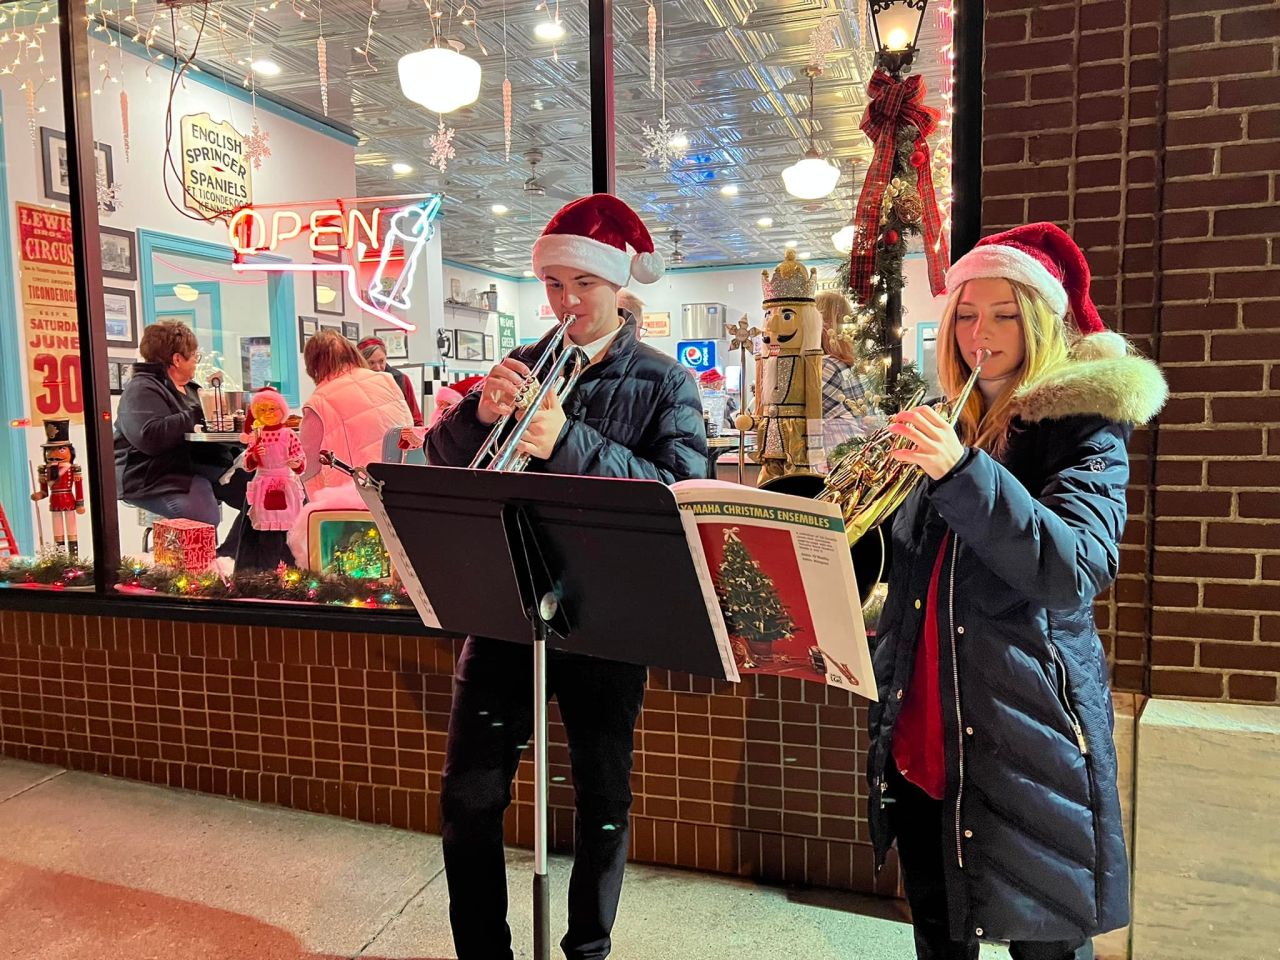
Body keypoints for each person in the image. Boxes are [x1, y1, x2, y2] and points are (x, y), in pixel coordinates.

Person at [864, 224, 1167, 960]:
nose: (980, 334)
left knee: (1047, 946)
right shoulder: (944, 419)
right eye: (966, 314)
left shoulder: (1084, 426)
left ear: (1038, 320)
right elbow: (905, 570)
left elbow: (1072, 571)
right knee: (938, 934)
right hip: (926, 721)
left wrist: (961, 472)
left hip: (1027, 730)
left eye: (1003, 314)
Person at [427, 193, 707, 960]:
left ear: (620, 288)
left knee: (603, 798)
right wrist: (473, 420)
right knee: (469, 796)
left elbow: (680, 493)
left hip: (609, 616)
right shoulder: (523, 361)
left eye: (583, 285)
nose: (566, 302)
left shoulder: (666, 384)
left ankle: (588, 948)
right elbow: (444, 470)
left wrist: (566, 439)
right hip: (506, 604)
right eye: (553, 285)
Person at [114, 320, 247, 555]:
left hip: (203, 467)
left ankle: (232, 559)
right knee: (203, 515)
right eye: (195, 356)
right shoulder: (140, 390)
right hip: (156, 475)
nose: (197, 363)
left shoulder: (193, 389)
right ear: (177, 359)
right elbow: (149, 437)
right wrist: (198, 414)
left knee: (264, 495)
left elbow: (208, 430)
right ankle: (207, 569)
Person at [299, 330, 412, 497]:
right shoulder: (387, 380)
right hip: (400, 484)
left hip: (353, 495)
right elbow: (409, 428)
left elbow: (306, 467)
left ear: (313, 364)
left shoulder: (318, 403)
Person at [815, 289, 877, 468]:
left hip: (831, 461)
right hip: (856, 456)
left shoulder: (825, 366)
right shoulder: (849, 366)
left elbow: (801, 414)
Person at [358, 335, 425, 426]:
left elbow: (416, 419)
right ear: (361, 362)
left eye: (381, 361)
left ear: (386, 357)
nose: (378, 368)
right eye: (371, 363)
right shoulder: (355, 385)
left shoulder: (401, 380)